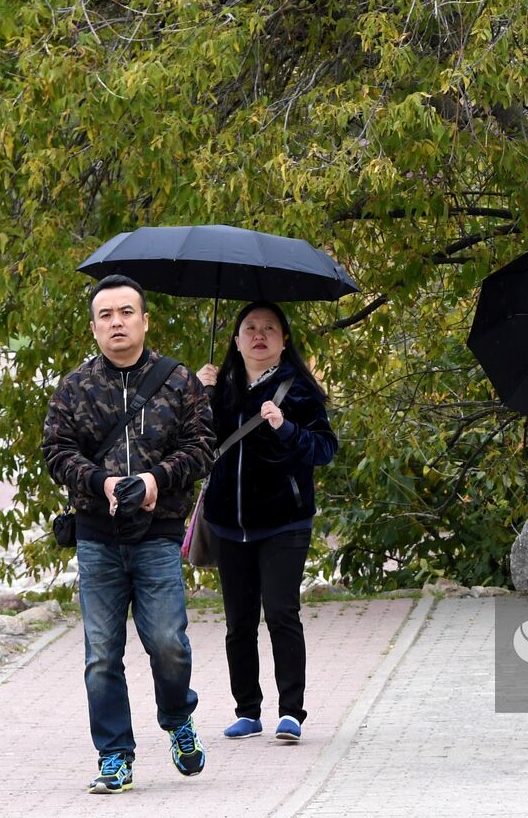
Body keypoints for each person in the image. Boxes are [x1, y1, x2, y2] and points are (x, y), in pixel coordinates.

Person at [42, 274, 215, 794]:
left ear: (144, 320)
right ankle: (115, 755)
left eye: (125, 312)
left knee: (168, 643)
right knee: (101, 653)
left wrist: (159, 479)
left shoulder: (178, 380)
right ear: (94, 327)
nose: (116, 322)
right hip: (97, 535)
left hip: (158, 535)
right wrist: (103, 481)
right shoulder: (75, 387)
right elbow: (55, 451)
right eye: (105, 315)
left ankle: (178, 718)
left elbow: (204, 445)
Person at [196, 301, 337, 743]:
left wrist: (286, 428)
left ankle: (291, 712)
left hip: (284, 522)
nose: (259, 335)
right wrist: (200, 396)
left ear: (284, 340)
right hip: (227, 522)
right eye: (250, 328)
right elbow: (194, 446)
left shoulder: (299, 391)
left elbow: (324, 450)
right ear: (236, 341)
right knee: (238, 621)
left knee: (280, 612)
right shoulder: (221, 389)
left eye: (269, 328)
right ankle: (247, 710)